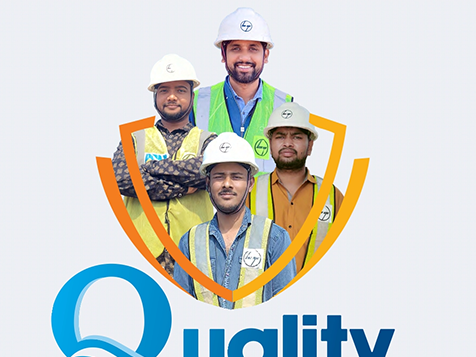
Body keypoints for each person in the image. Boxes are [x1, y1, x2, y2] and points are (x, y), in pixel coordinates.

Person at [112, 54, 215, 273]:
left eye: (180, 90)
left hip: (192, 255)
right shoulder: (134, 138)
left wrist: (149, 169)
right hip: (141, 251)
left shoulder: (209, 141)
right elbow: (121, 179)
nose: (172, 97)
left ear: (192, 96)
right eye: (164, 90)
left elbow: (205, 172)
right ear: (155, 96)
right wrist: (182, 188)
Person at [174, 133, 296, 308]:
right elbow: (182, 309)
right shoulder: (189, 243)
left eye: (236, 176)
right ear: (207, 183)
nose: (227, 184)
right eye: (219, 176)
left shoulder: (275, 238)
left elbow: (285, 308)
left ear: (250, 183)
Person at [193, 8, 293, 174]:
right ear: (223, 54)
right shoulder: (196, 103)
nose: (245, 57)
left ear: (266, 55)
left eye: (253, 48)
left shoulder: (285, 106)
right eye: (236, 48)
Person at [248, 103, 344, 273]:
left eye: (297, 137)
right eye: (280, 137)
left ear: (310, 146)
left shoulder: (332, 195)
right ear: (270, 144)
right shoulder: (248, 192)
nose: (288, 143)